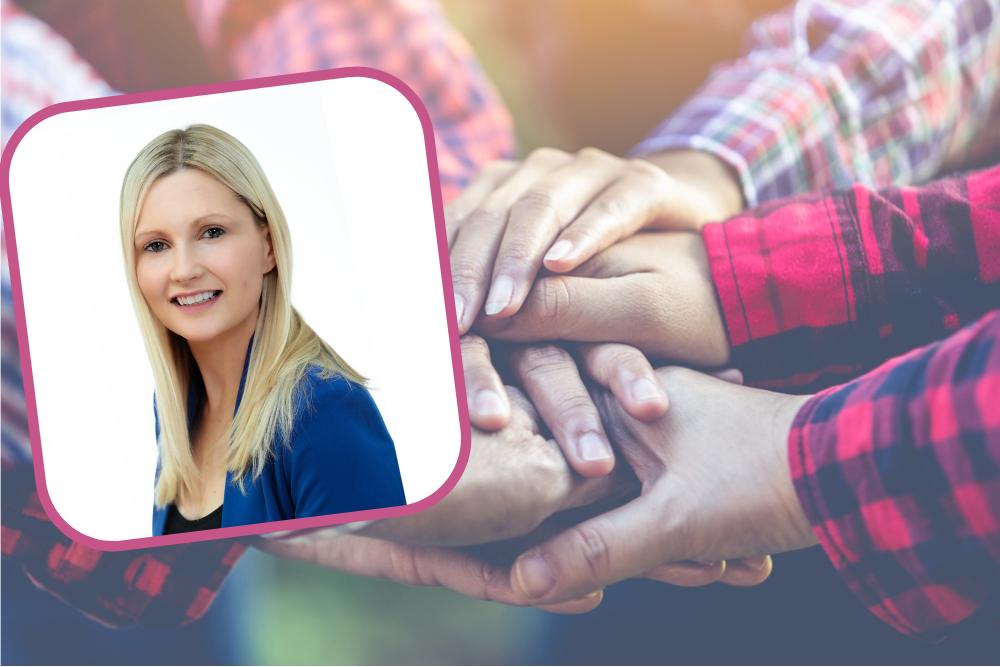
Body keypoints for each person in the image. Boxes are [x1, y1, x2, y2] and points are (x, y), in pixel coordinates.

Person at [118, 124, 407, 534]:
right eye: (156, 245)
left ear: (268, 246)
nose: (183, 270)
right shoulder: (175, 408)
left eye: (212, 232)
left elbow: (376, 584)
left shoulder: (323, 408)